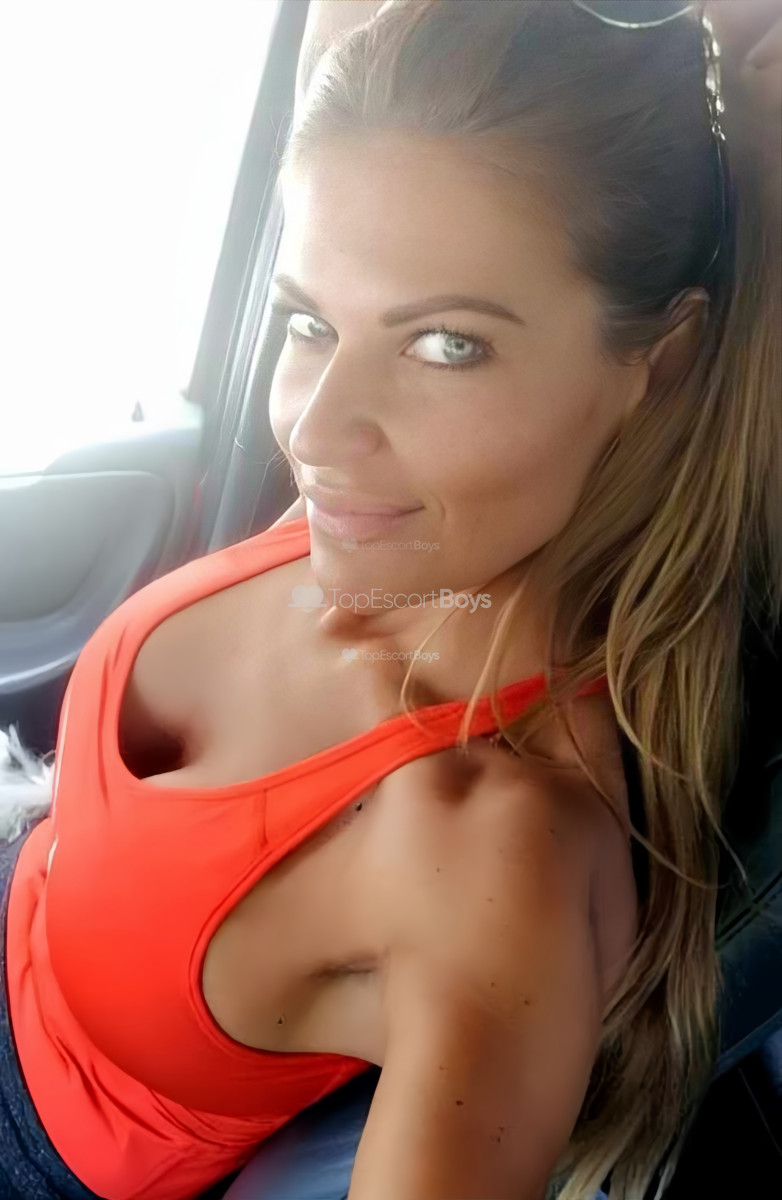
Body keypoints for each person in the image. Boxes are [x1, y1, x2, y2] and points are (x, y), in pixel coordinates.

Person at [1, 2, 779, 1199]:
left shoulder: (493, 857)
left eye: (445, 346)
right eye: (309, 321)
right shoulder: (385, 530)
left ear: (657, 363)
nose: (314, 432)